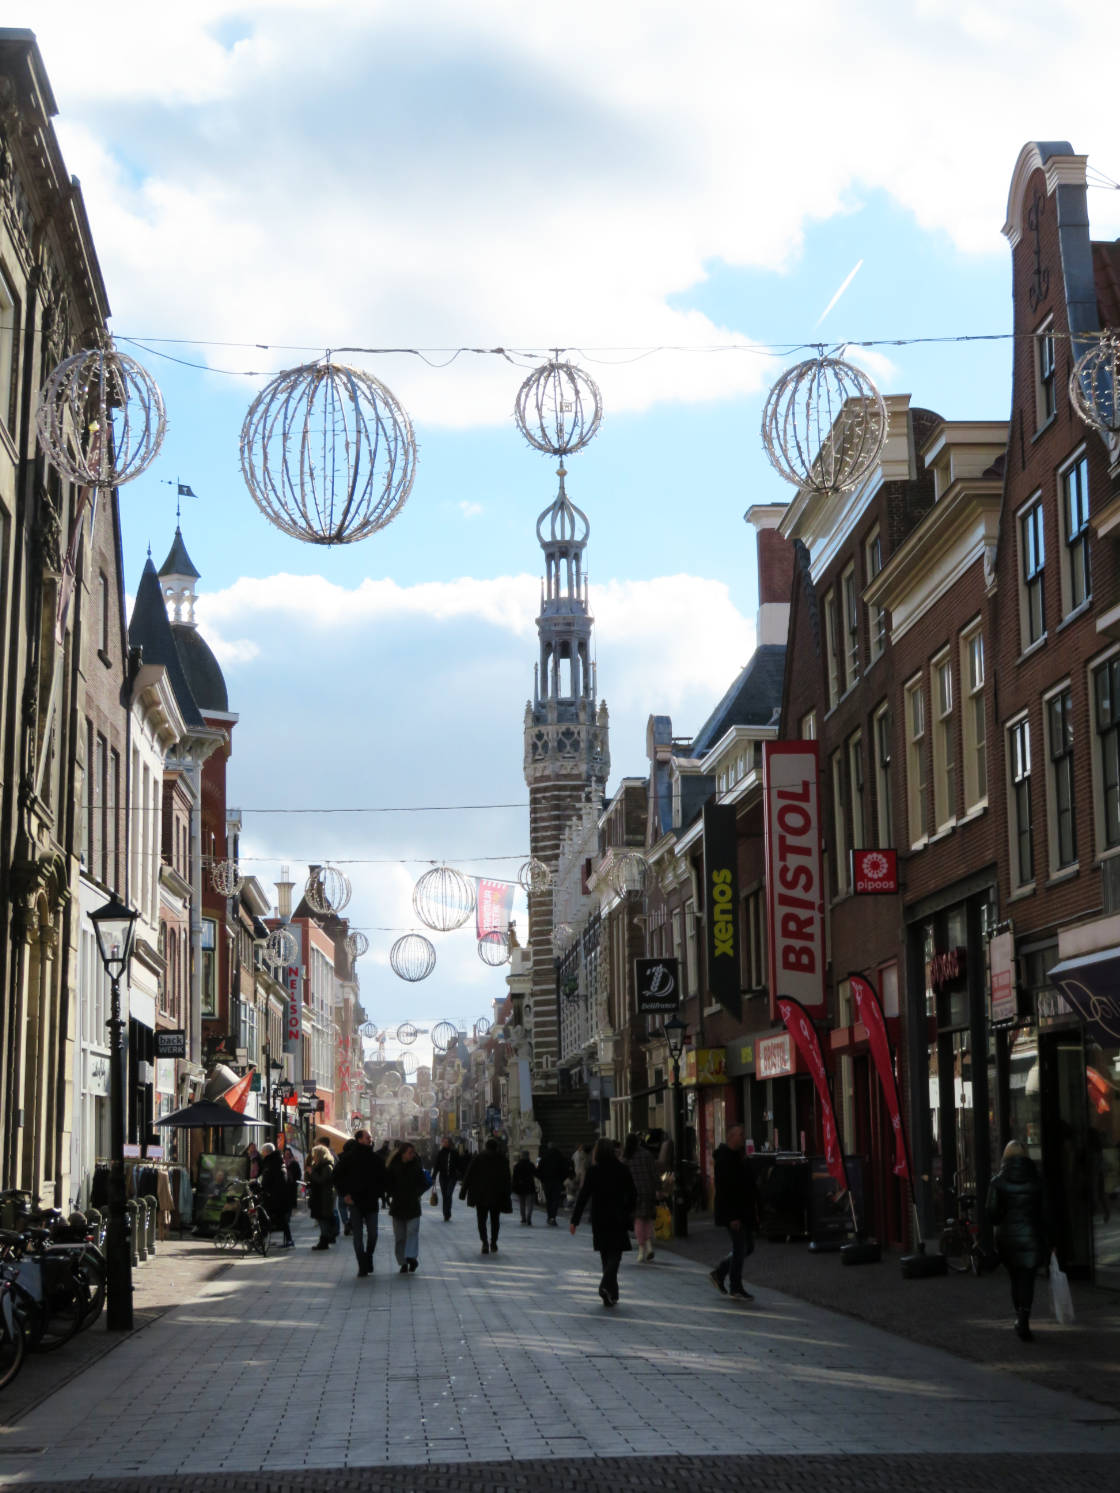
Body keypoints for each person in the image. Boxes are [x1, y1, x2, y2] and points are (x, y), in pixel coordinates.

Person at [986, 1138, 1049, 1342]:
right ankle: (1024, 1316)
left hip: (1008, 1239)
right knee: (1028, 1279)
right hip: (1031, 1237)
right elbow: (1045, 1212)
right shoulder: (1038, 1181)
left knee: (1015, 1279)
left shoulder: (998, 1181)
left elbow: (992, 1214)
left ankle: (1020, 1318)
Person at [570, 1137, 636, 1308]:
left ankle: (609, 1292)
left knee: (605, 1255)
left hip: (599, 1218)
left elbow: (583, 1196)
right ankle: (608, 1290)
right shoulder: (622, 1169)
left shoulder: (594, 1171)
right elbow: (633, 1193)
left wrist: (575, 1220)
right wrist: (628, 1211)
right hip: (618, 1216)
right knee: (616, 1255)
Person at [709, 1124, 759, 1302]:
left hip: (744, 1210)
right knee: (740, 1247)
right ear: (730, 1137)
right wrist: (732, 1217)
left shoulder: (738, 1156)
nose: (743, 1138)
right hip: (734, 1212)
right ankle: (735, 1286)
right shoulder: (725, 1160)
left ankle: (720, 1272)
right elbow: (725, 1189)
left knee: (747, 1246)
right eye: (740, 1134)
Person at [335, 1129, 386, 1277]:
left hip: (371, 1201)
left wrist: (379, 1193)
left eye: (370, 1137)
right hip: (355, 1202)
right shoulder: (349, 1158)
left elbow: (383, 1178)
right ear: (359, 1140)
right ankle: (362, 1265)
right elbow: (337, 1177)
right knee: (357, 1236)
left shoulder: (375, 1158)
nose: (370, 1139)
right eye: (367, 1137)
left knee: (373, 1235)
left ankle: (368, 1255)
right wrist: (344, 1194)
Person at [460, 1137, 512, 1253]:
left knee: (481, 1220)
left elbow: (469, 1175)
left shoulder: (478, 1158)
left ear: (486, 1146)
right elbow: (507, 1178)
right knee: (495, 1220)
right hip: (497, 1195)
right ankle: (494, 1242)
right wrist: (508, 1193)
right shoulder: (502, 1159)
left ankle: (484, 1242)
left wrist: (463, 1192)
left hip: (480, 1195)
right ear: (496, 1147)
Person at [385, 1140, 427, 1273]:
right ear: (403, 1154)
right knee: (400, 1237)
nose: (412, 1155)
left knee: (412, 1232)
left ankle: (411, 1257)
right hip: (398, 1206)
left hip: (413, 1205)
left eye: (413, 1153)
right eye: (410, 1153)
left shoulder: (416, 1166)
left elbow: (424, 1182)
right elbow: (387, 1183)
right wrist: (392, 1193)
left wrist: (417, 1193)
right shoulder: (393, 1166)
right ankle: (402, 1262)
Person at [623, 1133, 658, 1262]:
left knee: (638, 1220)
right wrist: (658, 1188)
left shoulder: (626, 1157)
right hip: (648, 1191)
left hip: (634, 1193)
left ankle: (641, 1249)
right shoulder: (647, 1155)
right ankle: (648, 1245)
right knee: (647, 1218)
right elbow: (654, 1173)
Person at [258, 1142, 294, 1247]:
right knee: (281, 1218)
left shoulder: (270, 1163)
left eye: (263, 1152)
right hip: (280, 1196)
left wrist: (261, 1186)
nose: (262, 1154)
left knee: (263, 1215)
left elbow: (267, 1179)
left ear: (266, 1152)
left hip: (273, 1196)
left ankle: (262, 1239)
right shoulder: (278, 1160)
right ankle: (288, 1240)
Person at [306, 1144, 337, 1250]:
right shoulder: (319, 1165)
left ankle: (325, 1240)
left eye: (314, 1155)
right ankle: (324, 1239)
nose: (313, 1157)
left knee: (323, 1219)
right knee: (321, 1218)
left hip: (323, 1197)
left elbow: (321, 1180)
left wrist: (312, 1173)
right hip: (319, 1196)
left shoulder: (326, 1166)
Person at [537, 1142, 571, 1226]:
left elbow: (539, 1170)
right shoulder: (560, 1157)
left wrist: (542, 1179)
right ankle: (553, 1217)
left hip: (547, 1182)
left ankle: (549, 1216)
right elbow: (566, 1169)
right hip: (557, 1181)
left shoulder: (544, 1157)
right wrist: (562, 1179)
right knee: (555, 1199)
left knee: (549, 1200)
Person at [432, 1136, 461, 1222]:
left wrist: (459, 1173)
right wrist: (433, 1176)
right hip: (443, 1177)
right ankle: (446, 1213)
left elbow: (459, 1164)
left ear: (450, 1143)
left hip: (452, 1177)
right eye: (443, 1142)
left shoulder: (454, 1152)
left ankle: (447, 1211)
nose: (444, 1143)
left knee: (449, 1194)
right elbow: (437, 1165)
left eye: (446, 1142)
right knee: (445, 1195)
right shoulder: (441, 1153)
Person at [511, 1150, 540, 1226]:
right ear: (528, 1156)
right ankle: (529, 1218)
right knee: (530, 1204)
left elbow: (514, 1177)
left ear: (521, 1156)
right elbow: (536, 1173)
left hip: (520, 1187)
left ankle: (523, 1218)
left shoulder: (517, 1165)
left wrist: (514, 1186)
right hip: (530, 1186)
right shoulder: (531, 1165)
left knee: (522, 1204)